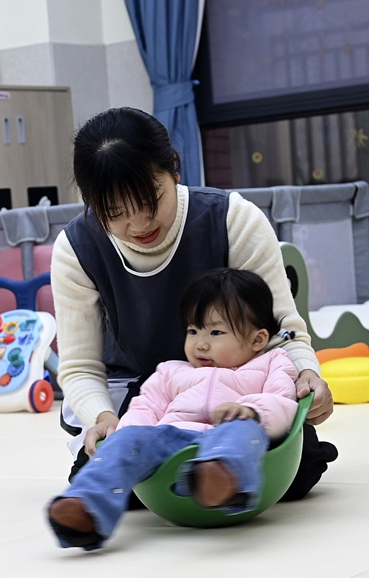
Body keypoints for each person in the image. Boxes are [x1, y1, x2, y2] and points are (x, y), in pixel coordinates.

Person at [52, 107, 336, 502]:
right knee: (107, 475)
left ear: (175, 170)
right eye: (114, 214)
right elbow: (80, 366)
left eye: (151, 201)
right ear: (92, 205)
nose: (138, 226)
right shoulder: (77, 249)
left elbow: (282, 328)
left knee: (297, 471)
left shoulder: (233, 219)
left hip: (238, 390)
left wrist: (308, 375)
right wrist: (103, 418)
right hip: (146, 400)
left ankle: (213, 472)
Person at [48, 268, 299, 549]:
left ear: (257, 339)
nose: (200, 343)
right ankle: (86, 506)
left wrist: (250, 409)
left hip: (229, 436)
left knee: (241, 428)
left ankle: (220, 476)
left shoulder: (272, 363)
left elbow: (286, 404)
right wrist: (124, 435)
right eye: (193, 331)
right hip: (171, 439)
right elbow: (145, 408)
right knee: (127, 438)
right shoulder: (171, 372)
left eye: (216, 332)